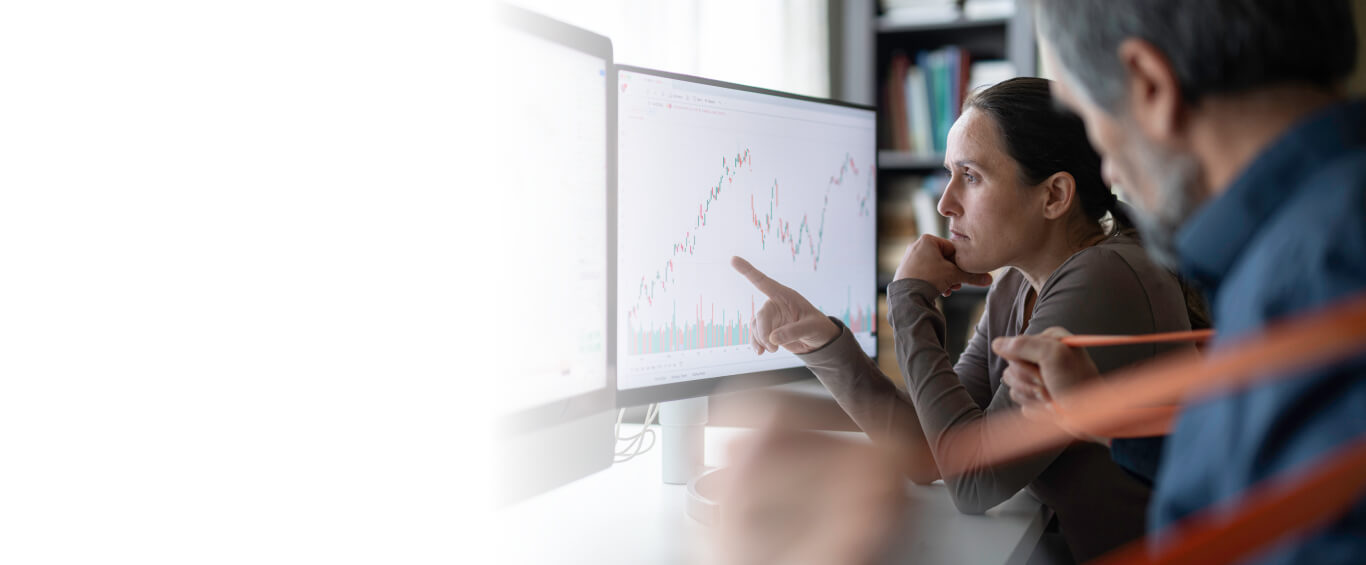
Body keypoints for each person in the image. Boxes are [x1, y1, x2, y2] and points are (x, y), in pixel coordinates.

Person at [732, 77, 1203, 562]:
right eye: (949, 175)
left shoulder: (1104, 277)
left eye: (971, 177)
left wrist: (910, 301)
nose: (945, 203)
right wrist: (824, 344)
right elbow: (927, 450)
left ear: (1055, 196)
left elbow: (974, 480)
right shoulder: (1018, 284)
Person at [992, 1, 1366, 563]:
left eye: (1090, 121)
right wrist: (1107, 416)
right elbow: (1258, 473)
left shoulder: (1313, 277)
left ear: (1150, 87)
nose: (1109, 173)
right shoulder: (1308, 235)